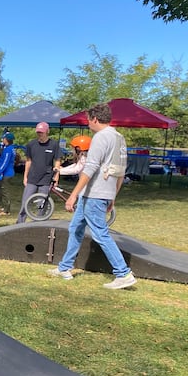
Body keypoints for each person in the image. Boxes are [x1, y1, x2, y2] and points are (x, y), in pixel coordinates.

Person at [48, 103, 136, 289]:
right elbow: (120, 171)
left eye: (88, 120)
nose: (88, 124)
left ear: (95, 119)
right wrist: (113, 195)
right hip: (102, 192)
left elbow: (89, 168)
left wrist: (73, 195)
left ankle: (123, 273)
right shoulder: (119, 138)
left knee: (100, 233)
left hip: (94, 194)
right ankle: (65, 267)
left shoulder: (100, 137)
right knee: (76, 228)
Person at [16, 122, 62, 223]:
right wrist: (25, 177)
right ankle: (19, 223)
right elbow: (28, 161)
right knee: (25, 202)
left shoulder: (54, 144)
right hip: (32, 178)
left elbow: (57, 161)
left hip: (46, 178)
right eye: (38, 132)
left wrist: (56, 177)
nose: (40, 134)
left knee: (42, 204)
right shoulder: (31, 144)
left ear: (47, 131)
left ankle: (39, 223)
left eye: (42, 132)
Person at [0, 132, 16, 216]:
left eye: (3, 138)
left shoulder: (8, 150)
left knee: (4, 191)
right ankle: (0, 206)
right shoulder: (6, 148)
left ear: (7, 140)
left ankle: (6, 210)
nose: (2, 140)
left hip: (7, 173)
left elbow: (5, 163)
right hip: (3, 173)